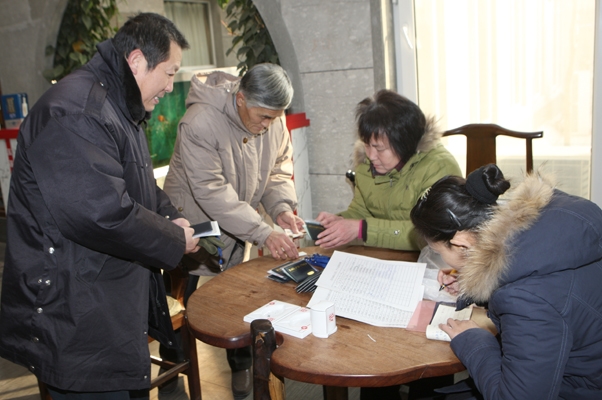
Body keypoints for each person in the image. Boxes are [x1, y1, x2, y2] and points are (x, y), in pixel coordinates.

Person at [0, 13, 204, 400]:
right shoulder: (76, 111)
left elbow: (136, 183)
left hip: (103, 300)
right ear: (137, 61)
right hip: (74, 313)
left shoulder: (117, 105)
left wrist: (169, 216)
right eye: (169, 72)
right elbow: (100, 214)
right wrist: (172, 239)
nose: (170, 85)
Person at [162, 62, 303, 399]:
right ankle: (171, 372)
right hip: (191, 224)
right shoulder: (199, 121)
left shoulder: (272, 119)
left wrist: (281, 209)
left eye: (274, 118)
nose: (268, 125)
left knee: (241, 301)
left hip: (239, 224)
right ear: (241, 99)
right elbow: (211, 191)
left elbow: (277, 170)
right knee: (177, 306)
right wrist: (263, 232)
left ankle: (241, 368)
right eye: (264, 117)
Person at [410, 164, 602, 399]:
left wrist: (473, 341)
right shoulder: (549, 223)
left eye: (437, 251)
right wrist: (478, 279)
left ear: (461, 243)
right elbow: (548, 284)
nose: (440, 257)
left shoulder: (526, 299)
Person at [315, 89, 461, 251]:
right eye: (367, 145)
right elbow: (361, 211)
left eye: (380, 148)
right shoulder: (366, 164)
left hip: (428, 261)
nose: (371, 156)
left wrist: (362, 229)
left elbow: (430, 235)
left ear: (404, 144)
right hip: (386, 256)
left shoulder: (438, 167)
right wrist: (338, 222)